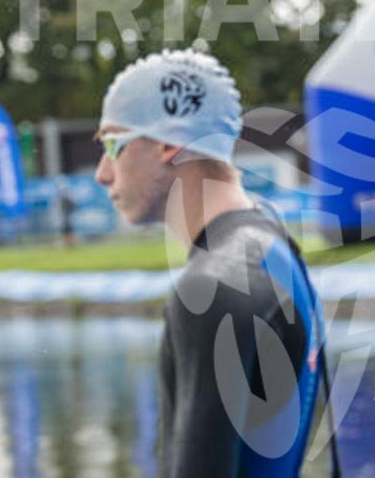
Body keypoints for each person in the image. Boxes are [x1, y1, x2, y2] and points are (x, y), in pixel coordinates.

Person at [93, 49, 334, 477]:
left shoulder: (212, 288)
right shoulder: (273, 246)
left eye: (113, 145)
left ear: (168, 142)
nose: (102, 173)